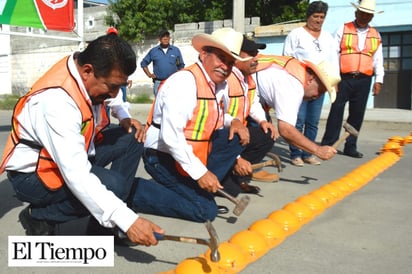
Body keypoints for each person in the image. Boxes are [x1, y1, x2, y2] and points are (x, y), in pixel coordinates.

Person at [0, 34, 164, 246]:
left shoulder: (83, 69)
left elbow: (113, 99)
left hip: (75, 153)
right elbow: (76, 174)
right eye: (112, 86)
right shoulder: (56, 100)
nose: (115, 94)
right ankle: (39, 215)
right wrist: (128, 220)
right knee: (115, 186)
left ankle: (103, 219)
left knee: (132, 135)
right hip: (34, 176)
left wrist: (124, 118)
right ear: (87, 71)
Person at [140, 28, 250, 222]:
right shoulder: (184, 83)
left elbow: (213, 116)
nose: (225, 67)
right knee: (205, 211)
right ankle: (135, 191)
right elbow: (171, 137)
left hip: (190, 151)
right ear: (204, 54)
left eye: (230, 63)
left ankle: (186, 186)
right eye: (221, 58)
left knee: (237, 137)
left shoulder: (218, 84)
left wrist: (233, 121)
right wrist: (201, 174)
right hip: (161, 155)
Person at [214, 36, 279, 196]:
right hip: (219, 135)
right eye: (250, 54)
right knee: (232, 191)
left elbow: (253, 102)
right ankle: (227, 170)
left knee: (267, 134)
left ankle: (234, 171)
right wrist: (236, 157)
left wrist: (262, 120)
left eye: (256, 53)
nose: (256, 59)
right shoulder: (225, 78)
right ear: (235, 55)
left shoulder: (247, 78)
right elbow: (215, 117)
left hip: (237, 133)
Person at [321, 0, 384, 158]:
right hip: (344, 77)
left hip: (364, 79)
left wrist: (379, 80)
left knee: (357, 113)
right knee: (336, 110)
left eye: (368, 15)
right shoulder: (343, 29)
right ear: (356, 13)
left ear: (371, 17)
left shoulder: (375, 34)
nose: (364, 17)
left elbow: (378, 59)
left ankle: (351, 146)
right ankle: (328, 143)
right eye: (362, 13)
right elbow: (333, 54)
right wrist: (334, 78)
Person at [254, 53, 341, 163]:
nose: (317, 96)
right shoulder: (294, 86)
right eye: (320, 90)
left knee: (263, 129)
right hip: (242, 93)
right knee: (265, 136)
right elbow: (286, 130)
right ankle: (239, 171)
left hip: (250, 93)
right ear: (311, 79)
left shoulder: (296, 71)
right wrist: (318, 150)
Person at [283, 0, 339, 167]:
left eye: (322, 17)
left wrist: (334, 82)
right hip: (300, 84)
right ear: (308, 16)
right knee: (298, 120)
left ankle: (309, 153)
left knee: (313, 121)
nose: (318, 20)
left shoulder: (328, 38)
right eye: (316, 16)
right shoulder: (296, 34)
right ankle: (295, 154)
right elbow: (288, 58)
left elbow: (333, 61)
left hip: (321, 85)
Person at [141, 30, 185, 96]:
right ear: (159, 39)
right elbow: (144, 63)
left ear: (169, 38)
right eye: (163, 37)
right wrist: (149, 74)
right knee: (159, 104)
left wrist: (177, 77)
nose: (165, 38)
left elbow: (180, 65)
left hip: (172, 83)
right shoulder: (154, 51)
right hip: (159, 82)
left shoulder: (175, 50)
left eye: (167, 36)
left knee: (172, 103)